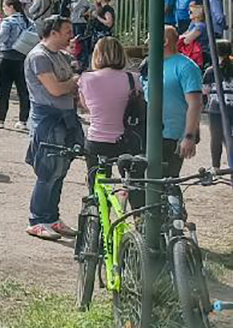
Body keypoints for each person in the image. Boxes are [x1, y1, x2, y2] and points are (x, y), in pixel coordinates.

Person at [25, 17, 82, 240]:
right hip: (48, 119)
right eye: (67, 31)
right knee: (48, 171)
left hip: (65, 117)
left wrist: (72, 83)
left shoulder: (60, 56)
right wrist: (74, 81)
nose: (71, 35)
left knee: (60, 170)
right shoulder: (39, 56)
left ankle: (51, 217)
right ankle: (37, 220)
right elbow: (56, 89)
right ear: (53, 32)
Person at [145, 25, 205, 179]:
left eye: (150, 38)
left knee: (167, 182)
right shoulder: (150, 64)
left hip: (172, 136)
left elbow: (195, 103)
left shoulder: (186, 66)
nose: (146, 42)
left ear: (164, 41)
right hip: (148, 134)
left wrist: (189, 136)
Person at [77, 36, 138, 173]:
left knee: (97, 183)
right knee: (129, 183)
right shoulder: (133, 79)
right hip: (126, 139)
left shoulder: (87, 78)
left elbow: (86, 107)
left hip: (97, 139)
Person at [0, 0, 34, 129]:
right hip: (22, 57)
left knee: (3, 91)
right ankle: (23, 120)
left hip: (6, 57)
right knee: (23, 91)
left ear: (10, 7)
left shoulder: (7, 22)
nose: (4, 10)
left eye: (4, 7)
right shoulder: (29, 22)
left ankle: (1, 119)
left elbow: (1, 38)